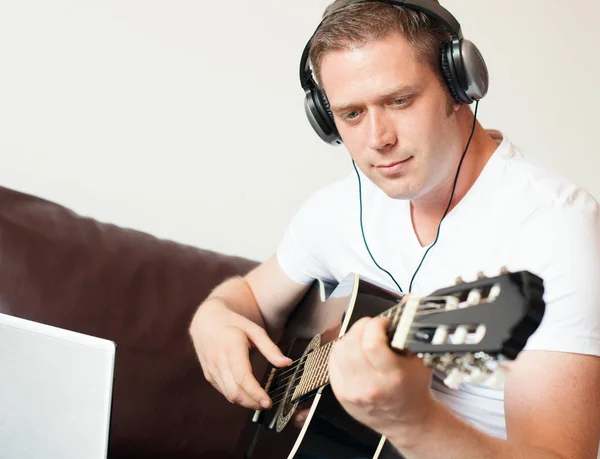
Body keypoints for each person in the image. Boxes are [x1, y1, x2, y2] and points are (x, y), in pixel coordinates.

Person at [189, 1, 600, 457]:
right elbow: (245, 297)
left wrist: (411, 420)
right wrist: (212, 317)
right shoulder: (340, 207)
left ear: (459, 85)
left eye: (399, 100)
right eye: (351, 115)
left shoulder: (555, 227)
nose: (378, 138)